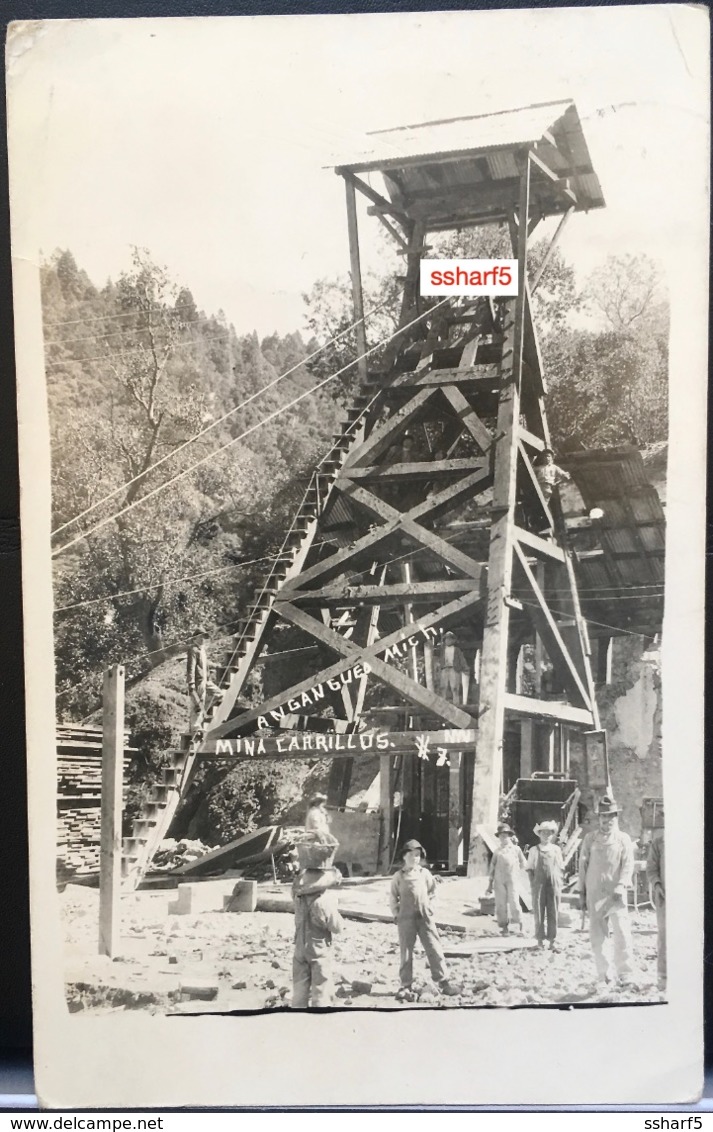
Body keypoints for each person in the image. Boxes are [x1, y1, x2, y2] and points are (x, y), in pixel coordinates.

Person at [579, 795, 637, 986]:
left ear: (616, 817)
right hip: (595, 894)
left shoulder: (623, 839)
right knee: (598, 934)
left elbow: (628, 865)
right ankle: (603, 974)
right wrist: (582, 893)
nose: (607, 820)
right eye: (604, 816)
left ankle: (625, 972)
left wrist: (621, 885)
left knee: (621, 931)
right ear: (599, 818)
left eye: (611, 816)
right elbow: (583, 867)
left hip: (616, 894)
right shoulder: (590, 839)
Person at [389, 839, 458, 1000]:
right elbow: (393, 898)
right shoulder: (398, 876)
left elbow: (433, 893)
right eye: (412, 855)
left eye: (418, 856)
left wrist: (431, 908)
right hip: (406, 919)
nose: (415, 859)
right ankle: (405, 985)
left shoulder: (424, 874)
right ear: (404, 857)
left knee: (434, 948)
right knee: (406, 952)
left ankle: (443, 982)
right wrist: (396, 914)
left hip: (424, 917)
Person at [291, 840, 344, 1008]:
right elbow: (337, 927)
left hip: (299, 948)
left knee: (299, 990)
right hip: (318, 951)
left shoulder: (298, 898)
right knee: (320, 991)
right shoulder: (324, 902)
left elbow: (294, 889)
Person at [526, 820, 564, 950]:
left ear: (552, 835)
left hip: (553, 883)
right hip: (539, 884)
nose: (546, 835)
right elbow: (530, 868)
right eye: (544, 832)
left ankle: (553, 940)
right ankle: (540, 941)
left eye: (549, 833)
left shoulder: (556, 850)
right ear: (539, 834)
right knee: (539, 911)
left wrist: (559, 882)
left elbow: (560, 867)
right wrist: (533, 884)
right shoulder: (534, 850)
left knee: (553, 910)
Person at [487, 824, 527, 935]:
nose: (504, 837)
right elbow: (492, 867)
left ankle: (521, 926)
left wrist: (522, 875)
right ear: (499, 837)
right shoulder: (497, 851)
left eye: (506, 835)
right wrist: (490, 884)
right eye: (501, 835)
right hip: (499, 880)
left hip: (512, 879)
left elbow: (524, 863)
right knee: (501, 904)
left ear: (510, 836)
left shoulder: (516, 849)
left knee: (514, 902)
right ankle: (504, 927)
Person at [186, 627, 222, 731]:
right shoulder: (193, 650)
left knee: (218, 694)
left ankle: (201, 712)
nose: (203, 639)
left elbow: (205, 663)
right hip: (198, 680)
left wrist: (215, 666)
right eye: (201, 637)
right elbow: (191, 667)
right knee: (198, 701)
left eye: (204, 637)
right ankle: (195, 726)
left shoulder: (202, 650)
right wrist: (191, 682)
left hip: (206, 680)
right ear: (195, 637)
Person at [646, 827, 666, 991]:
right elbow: (651, 869)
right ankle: (663, 975)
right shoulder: (659, 842)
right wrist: (657, 885)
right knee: (664, 935)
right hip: (665, 897)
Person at [437, 631, 470, 705]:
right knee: (443, 687)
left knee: (455, 687)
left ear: (453, 640)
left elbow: (462, 659)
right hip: (444, 669)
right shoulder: (442, 650)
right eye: (446, 639)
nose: (447, 641)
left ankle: (456, 704)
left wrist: (465, 668)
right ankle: (442, 703)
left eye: (449, 639)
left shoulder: (457, 650)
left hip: (454, 669)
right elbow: (440, 659)